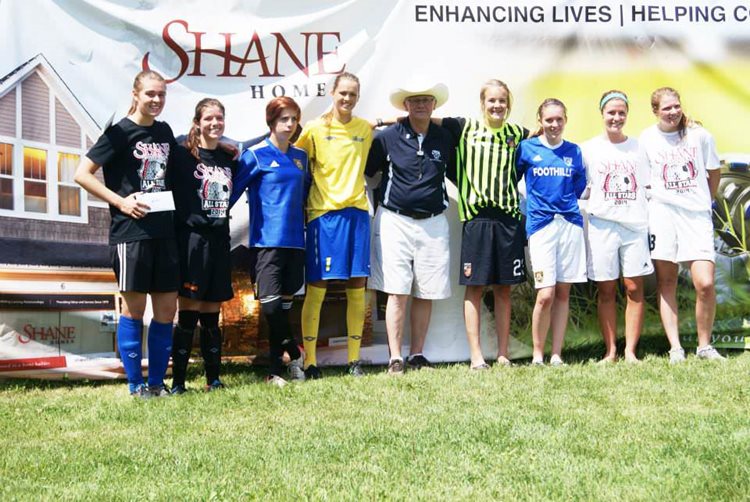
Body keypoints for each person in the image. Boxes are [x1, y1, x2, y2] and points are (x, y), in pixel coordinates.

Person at [74, 70, 178, 397]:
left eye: (161, 94)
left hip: (165, 233)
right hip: (131, 235)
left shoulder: (164, 131)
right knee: (133, 311)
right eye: (150, 94)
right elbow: (82, 173)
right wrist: (121, 202)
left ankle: (157, 384)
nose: (156, 100)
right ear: (136, 94)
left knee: (166, 310)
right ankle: (135, 385)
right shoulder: (119, 133)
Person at [436, 79, 528, 370]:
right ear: (482, 103)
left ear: (508, 104)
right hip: (476, 220)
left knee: (503, 289)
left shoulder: (519, 134)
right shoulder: (464, 127)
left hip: (508, 220)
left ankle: (502, 354)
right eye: (492, 101)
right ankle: (476, 356)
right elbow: (421, 116)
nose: (497, 106)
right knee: (475, 287)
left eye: (502, 101)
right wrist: (380, 121)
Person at [365, 82, 455, 375]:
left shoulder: (445, 137)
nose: (420, 105)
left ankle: (417, 354)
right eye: (414, 101)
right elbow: (370, 173)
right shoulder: (387, 137)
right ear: (405, 105)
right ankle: (395, 357)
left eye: (426, 101)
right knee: (397, 290)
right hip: (395, 220)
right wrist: (380, 122)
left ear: (434, 105)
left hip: (433, 222)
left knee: (426, 291)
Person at [295, 72, 373, 378]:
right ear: (331, 92)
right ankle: (310, 362)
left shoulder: (365, 128)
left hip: (357, 214)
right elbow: (296, 162)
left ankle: (354, 361)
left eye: (353, 94)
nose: (347, 99)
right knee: (318, 287)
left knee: (357, 285)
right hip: (324, 215)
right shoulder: (314, 129)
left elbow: (382, 124)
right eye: (343, 93)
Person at [639, 87, 725, 362]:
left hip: (696, 217)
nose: (673, 112)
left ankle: (704, 346)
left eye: (676, 106)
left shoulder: (699, 135)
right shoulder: (647, 139)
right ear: (655, 111)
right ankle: (675, 347)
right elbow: (644, 179)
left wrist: (702, 201)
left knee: (705, 283)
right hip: (662, 214)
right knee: (667, 281)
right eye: (666, 108)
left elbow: (713, 172)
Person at [230, 96, 310, 386]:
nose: (289, 124)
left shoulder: (301, 157)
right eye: (283, 119)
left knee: (285, 310)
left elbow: (305, 196)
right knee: (272, 308)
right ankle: (295, 352)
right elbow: (231, 195)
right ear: (271, 122)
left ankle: (278, 370)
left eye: (293, 119)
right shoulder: (255, 155)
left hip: (296, 244)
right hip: (267, 243)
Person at [169, 98, 237, 394]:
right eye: (208, 118)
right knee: (189, 313)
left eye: (219, 118)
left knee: (212, 312)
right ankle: (179, 382)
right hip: (193, 241)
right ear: (197, 122)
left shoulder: (227, 157)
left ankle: (214, 379)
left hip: (220, 239)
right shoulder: (182, 155)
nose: (215, 123)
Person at [581, 90, 653, 363]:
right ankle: (610, 351)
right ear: (602, 114)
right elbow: (583, 188)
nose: (616, 117)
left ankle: (631, 351)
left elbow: (647, 186)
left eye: (621, 112)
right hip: (602, 226)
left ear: (627, 115)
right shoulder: (589, 148)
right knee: (606, 289)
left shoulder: (638, 147)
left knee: (634, 288)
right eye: (611, 112)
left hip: (634, 226)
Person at [516, 98, 587, 366]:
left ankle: (556, 353)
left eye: (559, 119)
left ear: (565, 120)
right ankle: (537, 354)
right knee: (545, 294)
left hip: (569, 225)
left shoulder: (575, 151)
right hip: (541, 226)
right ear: (540, 122)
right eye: (549, 120)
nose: (554, 124)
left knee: (563, 293)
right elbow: (513, 179)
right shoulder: (526, 149)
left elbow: (579, 188)